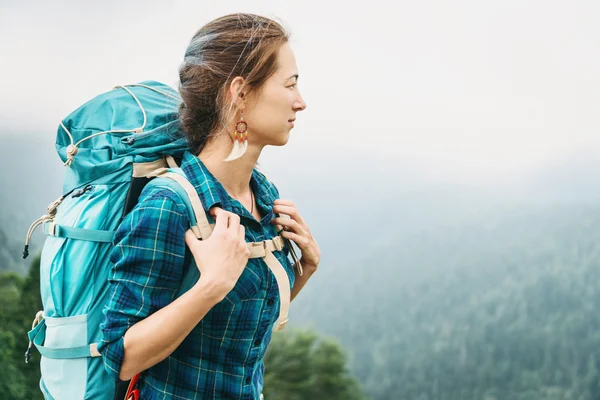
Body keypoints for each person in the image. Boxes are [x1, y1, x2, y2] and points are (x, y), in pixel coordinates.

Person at [97, 13, 321, 400]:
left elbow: (238, 332)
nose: (300, 102)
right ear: (241, 93)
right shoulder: (170, 206)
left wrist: (306, 269)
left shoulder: (262, 195)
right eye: (290, 85)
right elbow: (122, 356)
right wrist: (211, 286)